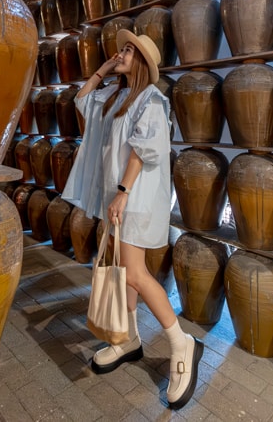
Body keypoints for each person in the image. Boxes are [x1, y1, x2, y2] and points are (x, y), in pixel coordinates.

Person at [61, 30, 203, 410]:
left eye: (128, 51)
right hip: (119, 196)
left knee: (136, 273)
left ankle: (180, 344)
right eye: (121, 49)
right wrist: (104, 68)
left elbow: (145, 149)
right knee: (125, 271)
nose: (121, 53)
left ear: (142, 62)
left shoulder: (151, 99)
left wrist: (123, 191)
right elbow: (81, 99)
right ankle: (128, 339)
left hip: (134, 197)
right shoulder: (116, 96)